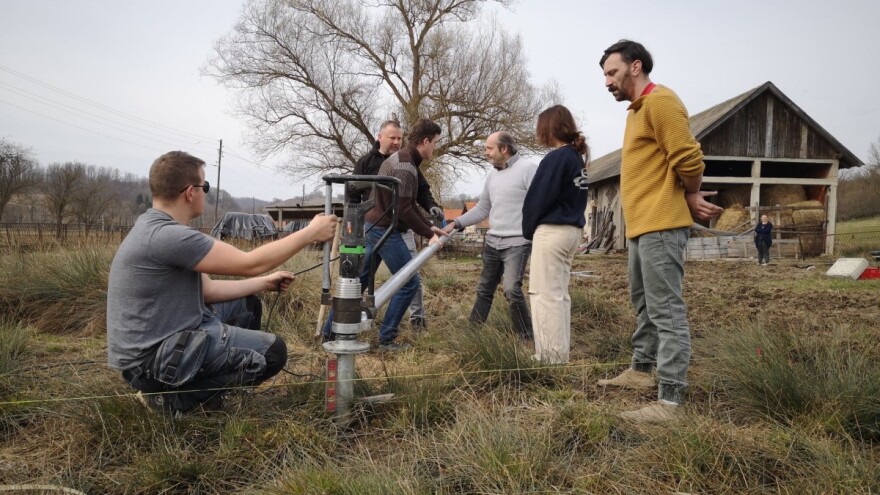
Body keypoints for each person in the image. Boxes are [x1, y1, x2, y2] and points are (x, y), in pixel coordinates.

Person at [107, 151, 337, 416]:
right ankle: (174, 400)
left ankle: (204, 389)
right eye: (204, 186)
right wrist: (310, 233)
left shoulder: (154, 227)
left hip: (156, 348)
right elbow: (250, 263)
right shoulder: (169, 236)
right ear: (190, 192)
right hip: (150, 364)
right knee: (273, 353)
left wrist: (263, 283)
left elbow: (208, 291)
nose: (205, 192)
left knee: (248, 306)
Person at [597, 40, 723, 422]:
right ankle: (641, 370)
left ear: (635, 67)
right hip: (642, 227)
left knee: (666, 309)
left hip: (662, 224)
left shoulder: (661, 102)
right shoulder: (636, 112)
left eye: (612, 72)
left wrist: (691, 192)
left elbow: (689, 159)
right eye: (605, 75)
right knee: (645, 304)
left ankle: (670, 401)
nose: (607, 82)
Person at [324, 118, 448, 350]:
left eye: (399, 137)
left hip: (375, 226)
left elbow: (410, 202)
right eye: (435, 143)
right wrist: (428, 232)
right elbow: (403, 210)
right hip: (384, 229)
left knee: (357, 283)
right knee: (410, 283)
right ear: (425, 141)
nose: (435, 147)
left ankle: (329, 333)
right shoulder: (405, 166)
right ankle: (387, 338)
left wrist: (429, 227)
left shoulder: (405, 160)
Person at [443, 131, 538, 340]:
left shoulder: (528, 169)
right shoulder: (492, 176)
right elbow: (482, 208)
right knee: (484, 289)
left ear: (504, 149)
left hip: (518, 243)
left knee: (511, 290)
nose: (486, 152)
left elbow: (540, 202)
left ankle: (526, 337)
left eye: (489, 148)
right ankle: (473, 335)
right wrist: (455, 223)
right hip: (493, 242)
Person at [522, 105, 589, 364]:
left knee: (543, 295)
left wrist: (528, 229)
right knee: (558, 295)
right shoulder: (576, 158)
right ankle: (559, 353)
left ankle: (549, 358)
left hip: (552, 232)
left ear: (548, 128)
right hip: (571, 231)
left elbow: (537, 200)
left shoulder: (556, 158)